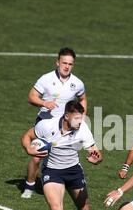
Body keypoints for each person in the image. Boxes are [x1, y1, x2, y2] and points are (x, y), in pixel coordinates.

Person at [22, 101, 102, 210]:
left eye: (82, 118)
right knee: (55, 208)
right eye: (77, 118)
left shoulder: (83, 129)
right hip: (52, 171)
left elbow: (97, 154)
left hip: (73, 170)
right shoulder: (47, 125)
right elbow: (27, 136)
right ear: (66, 116)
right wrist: (29, 149)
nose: (80, 121)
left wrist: (96, 159)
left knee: (84, 208)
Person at [22, 47, 88, 199]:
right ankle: (29, 185)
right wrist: (44, 103)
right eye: (64, 63)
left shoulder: (77, 83)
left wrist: (81, 117)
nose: (67, 66)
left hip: (65, 125)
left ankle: (63, 182)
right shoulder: (46, 79)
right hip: (45, 123)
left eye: (70, 64)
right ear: (57, 62)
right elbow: (31, 97)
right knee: (37, 156)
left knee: (67, 156)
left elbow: (83, 98)